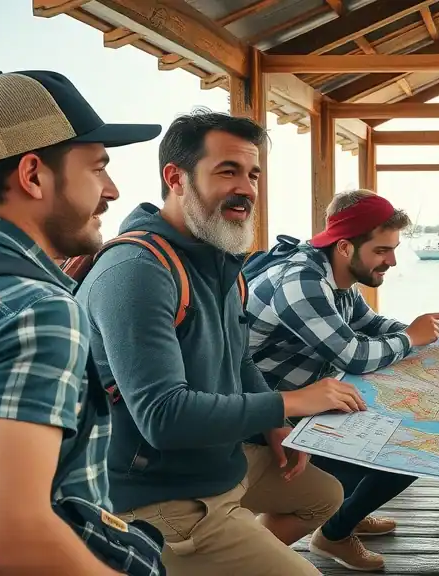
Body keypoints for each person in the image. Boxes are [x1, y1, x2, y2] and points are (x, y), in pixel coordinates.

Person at [75, 110, 356, 576]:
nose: (246, 188)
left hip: (215, 462)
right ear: (176, 178)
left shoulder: (219, 261)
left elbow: (238, 357)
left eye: (253, 174)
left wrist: (274, 421)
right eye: (227, 171)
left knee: (324, 496)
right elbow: (163, 418)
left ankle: (229, 554)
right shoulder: (138, 270)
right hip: (153, 493)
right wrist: (293, 399)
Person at [0, 70, 160, 573]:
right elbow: (8, 535)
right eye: (97, 168)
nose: (112, 190)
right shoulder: (36, 311)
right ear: (33, 175)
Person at [243, 188, 439, 571]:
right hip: (261, 413)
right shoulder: (300, 281)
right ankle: (332, 530)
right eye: (382, 251)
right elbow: (352, 354)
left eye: (394, 249)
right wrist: (410, 339)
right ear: (344, 247)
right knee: (398, 449)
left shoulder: (334, 275)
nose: (391, 260)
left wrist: (429, 336)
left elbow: (370, 325)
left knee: (419, 434)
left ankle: (345, 516)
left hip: (303, 401)